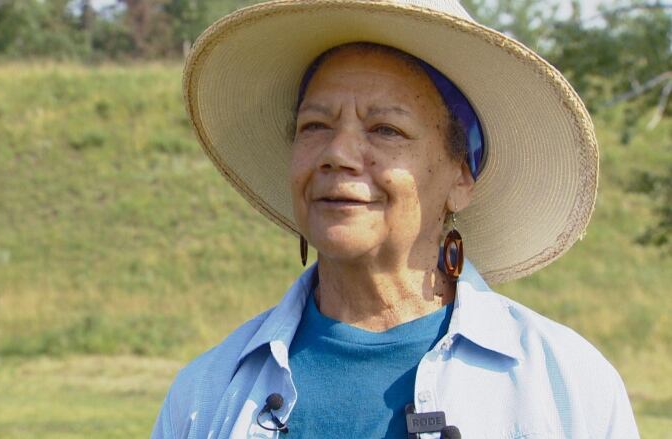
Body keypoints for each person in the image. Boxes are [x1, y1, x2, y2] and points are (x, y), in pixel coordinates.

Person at [152, 1, 639, 438]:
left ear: (460, 177)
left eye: (386, 129)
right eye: (315, 125)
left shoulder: (565, 385)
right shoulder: (207, 395)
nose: (338, 153)